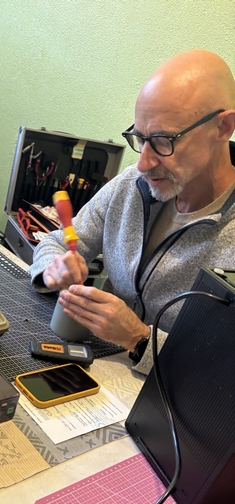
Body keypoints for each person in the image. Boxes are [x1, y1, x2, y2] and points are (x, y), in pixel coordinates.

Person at [30, 50, 235, 375]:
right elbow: (54, 241)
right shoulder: (132, 185)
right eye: (140, 138)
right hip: (102, 368)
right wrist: (53, 268)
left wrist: (138, 339)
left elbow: (223, 371)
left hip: (173, 395)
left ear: (224, 127)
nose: (143, 163)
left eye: (164, 141)